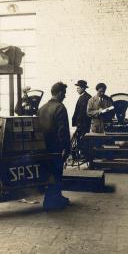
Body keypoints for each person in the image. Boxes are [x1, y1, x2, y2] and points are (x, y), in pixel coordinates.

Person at [37, 82, 71, 210]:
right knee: (57, 174)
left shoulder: (42, 108)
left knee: (49, 174)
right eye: (64, 93)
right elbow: (63, 131)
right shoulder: (60, 108)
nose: (65, 96)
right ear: (60, 93)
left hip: (44, 148)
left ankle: (55, 198)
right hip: (56, 148)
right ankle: (52, 201)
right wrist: (65, 148)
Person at [71, 80, 92, 158]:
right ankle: (81, 154)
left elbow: (84, 113)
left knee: (83, 139)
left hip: (84, 124)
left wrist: (79, 123)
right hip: (80, 123)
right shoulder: (82, 97)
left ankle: (84, 155)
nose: (77, 89)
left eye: (78, 88)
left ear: (83, 88)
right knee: (79, 139)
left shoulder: (87, 97)